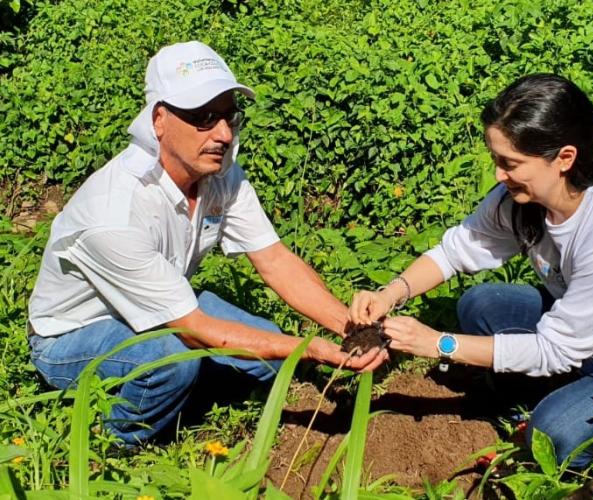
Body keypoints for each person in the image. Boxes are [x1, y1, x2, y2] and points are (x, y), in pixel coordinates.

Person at [349, 74, 593, 468]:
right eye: (496, 159)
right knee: (483, 304)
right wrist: (390, 293)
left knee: (554, 434)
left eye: (510, 163)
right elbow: (455, 251)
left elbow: (555, 349)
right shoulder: (521, 201)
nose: (499, 174)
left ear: (564, 158)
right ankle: (561, 398)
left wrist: (439, 344)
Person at [27, 41, 386, 446]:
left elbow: (274, 260)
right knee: (171, 362)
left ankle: (181, 397)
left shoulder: (220, 175)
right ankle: (111, 445)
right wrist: (311, 350)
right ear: (159, 120)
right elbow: (193, 327)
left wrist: (351, 328)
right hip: (75, 333)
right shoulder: (116, 211)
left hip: (166, 307)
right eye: (204, 118)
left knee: (268, 361)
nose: (224, 134)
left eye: (229, 116)